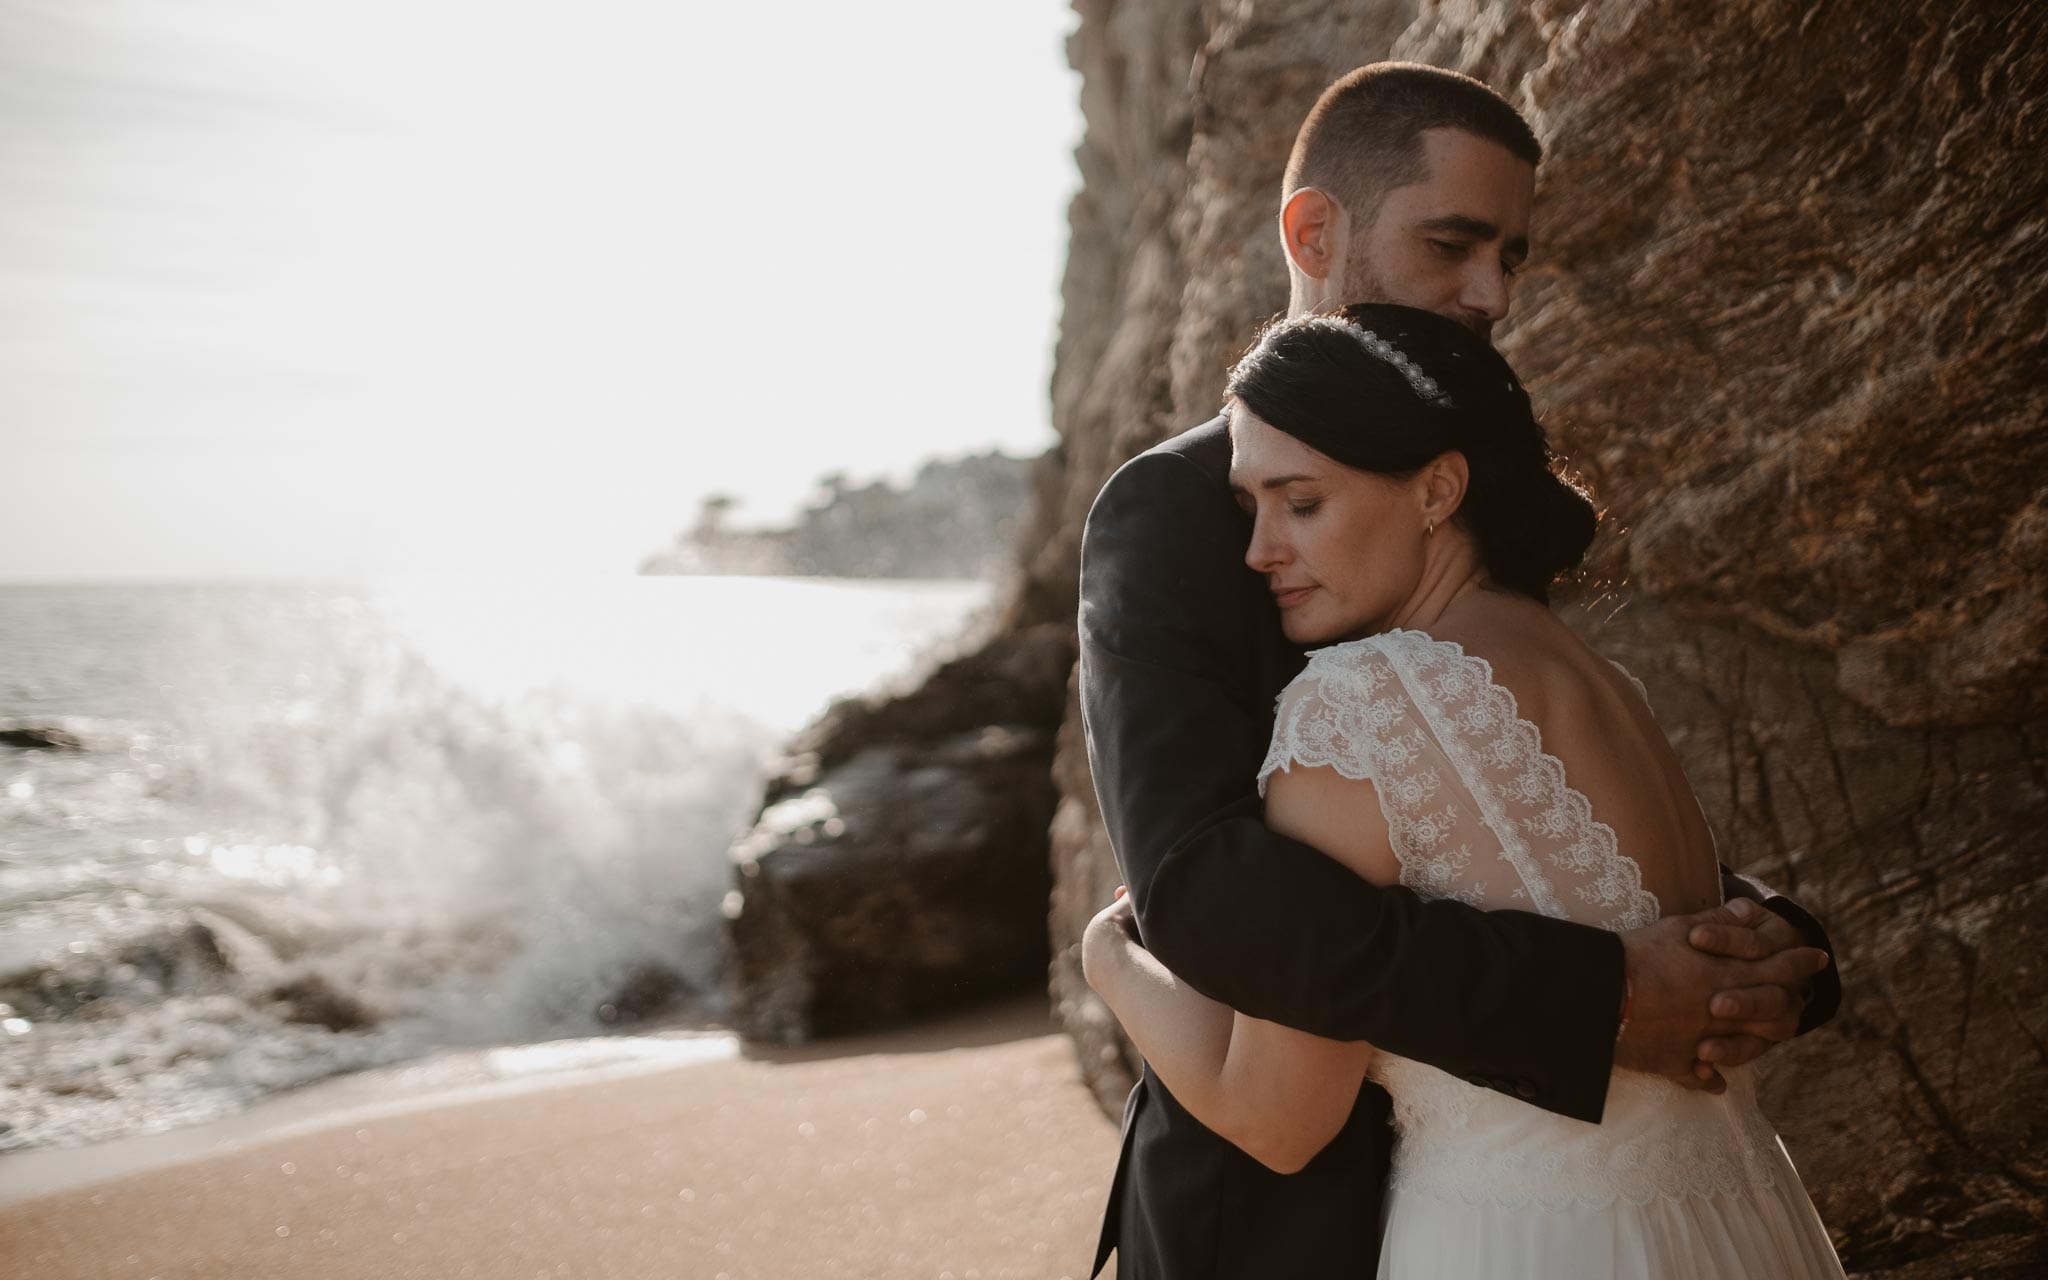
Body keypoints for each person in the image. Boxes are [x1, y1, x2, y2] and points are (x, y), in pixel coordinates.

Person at [1076, 63, 1841, 1279]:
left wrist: (1759, 948)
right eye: (1452, 242)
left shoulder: (1441, 509)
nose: (1488, 292)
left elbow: (1510, 793)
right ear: (1312, 232)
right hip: (1283, 1220)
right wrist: (1600, 994)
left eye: (1511, 256)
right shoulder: (1168, 511)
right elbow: (1210, 891)